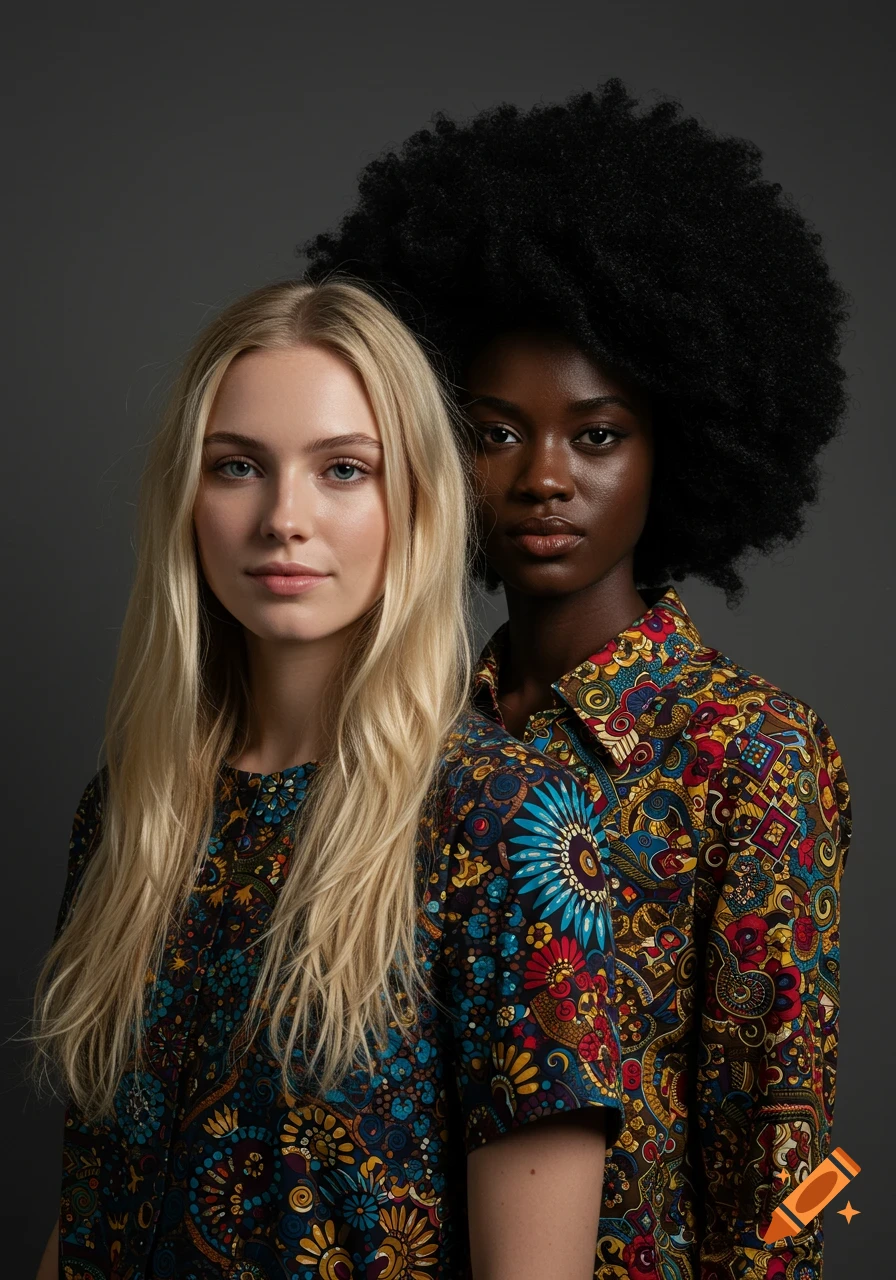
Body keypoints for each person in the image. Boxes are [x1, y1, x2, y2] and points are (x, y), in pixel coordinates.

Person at [303, 81, 853, 1280]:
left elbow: (788, 1151)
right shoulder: (397, 735)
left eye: (595, 434)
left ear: (678, 450)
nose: (542, 477)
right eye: (495, 432)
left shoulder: (749, 752)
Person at [29, 279, 626, 1280]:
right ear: (187, 498)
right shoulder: (129, 813)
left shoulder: (505, 820)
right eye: (237, 466)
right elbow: (93, 1205)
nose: (283, 518)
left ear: (414, 502)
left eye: (343, 468)